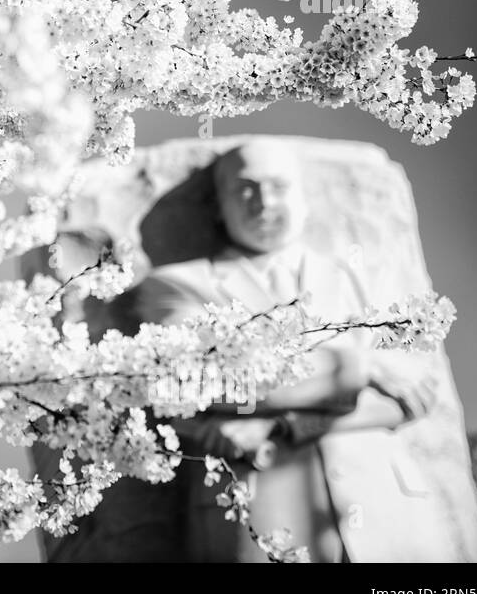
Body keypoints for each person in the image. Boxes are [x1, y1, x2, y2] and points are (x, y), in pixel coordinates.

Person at [131, 140, 451, 561]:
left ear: (303, 198)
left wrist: (286, 425)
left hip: (386, 514)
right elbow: (192, 383)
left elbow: (416, 388)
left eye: (278, 186)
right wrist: (361, 367)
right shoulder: (179, 286)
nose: (264, 202)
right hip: (258, 515)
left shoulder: (361, 276)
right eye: (245, 189)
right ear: (217, 206)